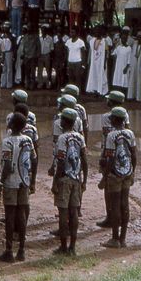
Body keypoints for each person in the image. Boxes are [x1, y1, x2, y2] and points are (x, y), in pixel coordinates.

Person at [0, 112, 37, 262]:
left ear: (12, 125)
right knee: (21, 213)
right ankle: (21, 250)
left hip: (11, 182)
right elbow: (34, 159)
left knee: (10, 215)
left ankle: (8, 250)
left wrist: (0, 183)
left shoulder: (8, 142)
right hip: (24, 181)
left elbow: (7, 165)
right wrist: (31, 179)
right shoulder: (28, 140)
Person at [51, 108, 87, 256]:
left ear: (63, 122)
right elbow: (84, 159)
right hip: (76, 178)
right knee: (74, 213)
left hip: (64, 178)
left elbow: (60, 162)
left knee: (63, 213)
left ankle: (63, 247)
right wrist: (84, 179)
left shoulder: (62, 138)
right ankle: (72, 247)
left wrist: (55, 182)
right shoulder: (80, 137)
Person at [100, 107, 136, 248]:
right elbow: (133, 155)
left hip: (114, 174)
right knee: (124, 204)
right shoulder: (130, 134)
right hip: (127, 172)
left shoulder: (111, 135)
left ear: (114, 119)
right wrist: (132, 171)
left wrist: (105, 176)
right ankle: (123, 238)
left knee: (115, 205)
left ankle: (115, 238)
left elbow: (110, 158)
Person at [97, 91, 127, 228]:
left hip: (108, 153)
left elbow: (106, 135)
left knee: (108, 187)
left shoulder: (106, 117)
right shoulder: (125, 115)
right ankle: (120, 216)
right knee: (123, 191)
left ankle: (111, 217)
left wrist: (104, 158)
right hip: (123, 154)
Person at [86, 27, 110, 95]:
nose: (97, 33)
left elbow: (106, 53)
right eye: (96, 31)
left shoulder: (105, 41)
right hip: (94, 62)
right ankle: (95, 90)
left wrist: (104, 63)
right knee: (94, 76)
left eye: (98, 31)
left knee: (101, 76)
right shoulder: (92, 41)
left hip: (101, 62)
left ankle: (101, 91)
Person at [111, 27, 132, 94]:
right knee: (117, 79)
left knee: (124, 80)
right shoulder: (119, 47)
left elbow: (129, 59)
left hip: (125, 66)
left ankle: (124, 93)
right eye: (122, 39)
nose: (123, 40)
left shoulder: (129, 48)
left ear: (126, 40)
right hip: (118, 65)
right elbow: (113, 54)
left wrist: (126, 67)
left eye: (124, 39)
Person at [128, 31, 141, 102]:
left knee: (140, 81)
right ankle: (131, 96)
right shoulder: (134, 45)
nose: (139, 39)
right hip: (133, 65)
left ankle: (138, 97)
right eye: (138, 37)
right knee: (132, 80)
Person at [22, 24, 41, 90]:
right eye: (28, 27)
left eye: (30, 27)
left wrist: (37, 55)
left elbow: (38, 47)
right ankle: (27, 84)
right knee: (27, 72)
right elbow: (23, 46)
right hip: (26, 56)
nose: (29, 29)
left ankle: (32, 85)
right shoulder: (25, 37)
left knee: (33, 72)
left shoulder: (36, 37)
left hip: (33, 57)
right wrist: (23, 54)